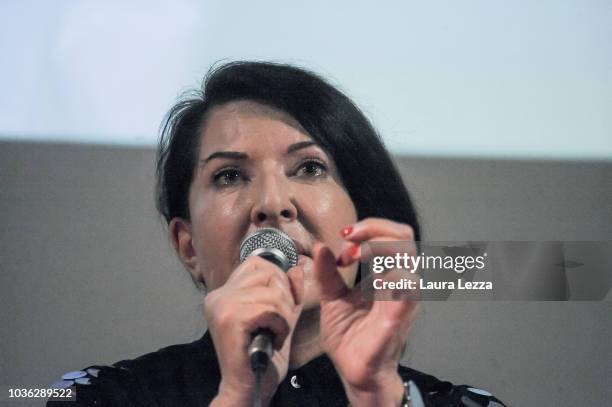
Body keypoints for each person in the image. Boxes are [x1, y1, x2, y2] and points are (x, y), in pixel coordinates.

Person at [48, 61, 505, 406]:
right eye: (229, 176)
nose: (272, 202)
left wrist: (379, 395)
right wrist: (237, 396)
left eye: (309, 168)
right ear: (188, 247)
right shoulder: (102, 396)